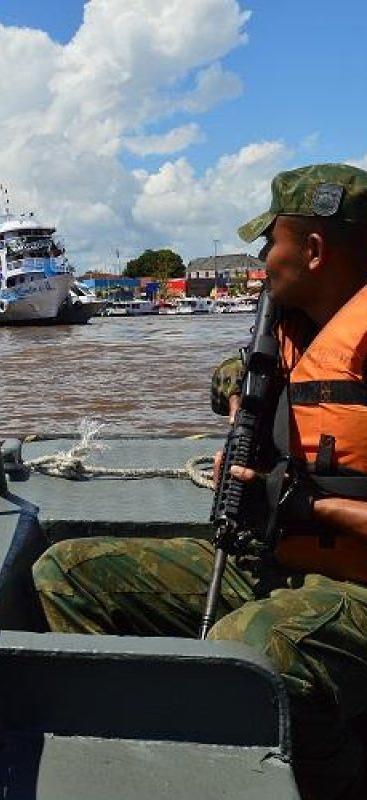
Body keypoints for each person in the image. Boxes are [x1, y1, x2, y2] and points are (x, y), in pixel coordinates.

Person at [32, 163, 367, 800]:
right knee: (68, 574)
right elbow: (232, 376)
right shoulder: (293, 325)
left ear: (314, 250)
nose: (262, 258)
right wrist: (242, 405)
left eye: (270, 242)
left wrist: (302, 505)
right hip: (276, 561)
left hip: (356, 584)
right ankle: (140, 757)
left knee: (251, 650)